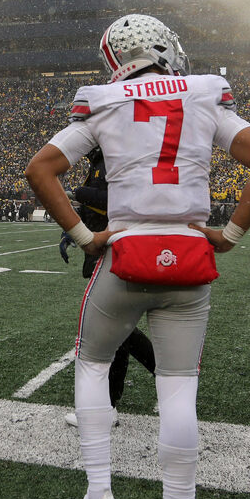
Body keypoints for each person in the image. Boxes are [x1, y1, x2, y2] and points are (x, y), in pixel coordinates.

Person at [25, 14, 250, 499]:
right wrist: (232, 232)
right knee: (177, 390)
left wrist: (85, 236)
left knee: (93, 364)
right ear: (164, 47)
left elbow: (40, 170)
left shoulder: (103, 102)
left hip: (124, 259)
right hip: (188, 263)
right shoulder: (204, 94)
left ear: (119, 58)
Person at [60, 146, 156, 428]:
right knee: (118, 329)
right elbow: (98, 205)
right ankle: (162, 378)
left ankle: (110, 404)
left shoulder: (112, 157)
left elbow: (114, 201)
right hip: (106, 246)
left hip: (112, 248)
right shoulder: (103, 158)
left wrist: (76, 193)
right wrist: (71, 225)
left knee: (111, 327)